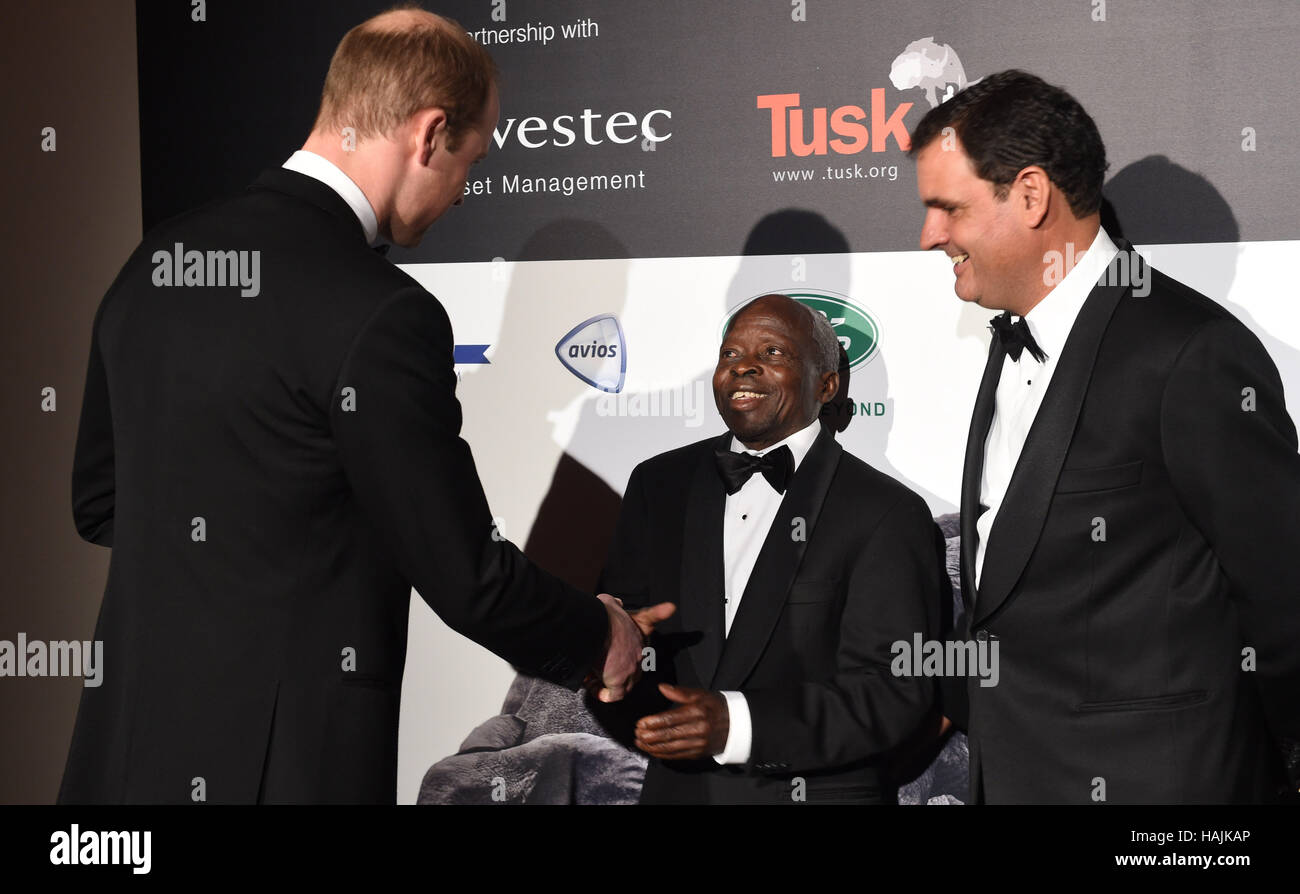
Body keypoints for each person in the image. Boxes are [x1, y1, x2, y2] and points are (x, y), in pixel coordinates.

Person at [60, 6, 669, 805]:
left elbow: (101, 505)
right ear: (428, 134)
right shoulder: (384, 313)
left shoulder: (156, 262)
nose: (461, 196)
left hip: (121, 757)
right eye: (471, 162)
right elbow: (465, 575)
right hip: (284, 767)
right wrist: (601, 635)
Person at [910, 69, 1300, 803]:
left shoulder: (1190, 352)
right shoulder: (1010, 341)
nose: (928, 235)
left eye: (948, 208)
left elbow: (1286, 601)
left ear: (1031, 196)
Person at [597, 294, 945, 804]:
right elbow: (617, 636)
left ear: (826, 386)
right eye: (730, 354)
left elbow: (894, 692)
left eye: (774, 353)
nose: (745, 368)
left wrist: (736, 726)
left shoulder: (887, 512)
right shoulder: (658, 485)